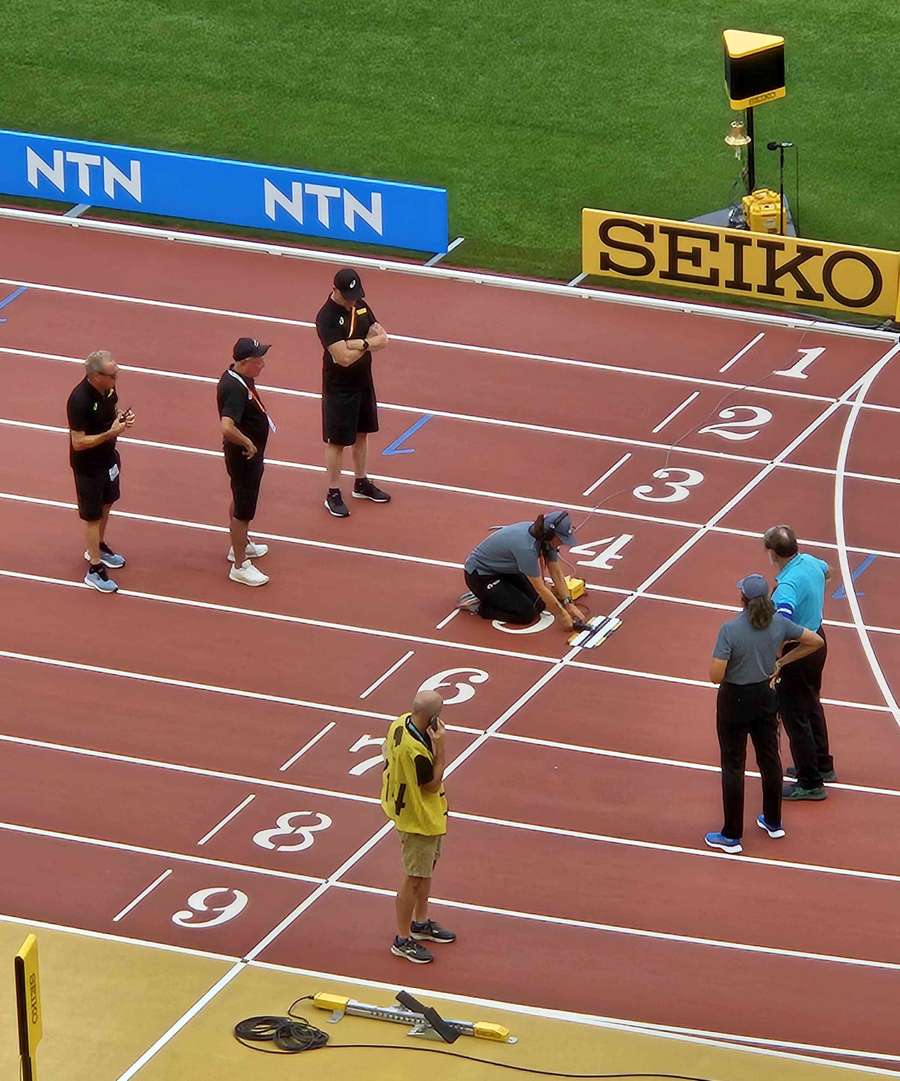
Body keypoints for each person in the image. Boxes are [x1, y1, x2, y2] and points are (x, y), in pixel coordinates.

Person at [706, 574, 824, 855]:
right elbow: (815, 641)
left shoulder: (730, 629)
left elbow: (715, 676)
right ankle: (773, 822)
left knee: (733, 765)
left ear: (743, 599)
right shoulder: (779, 624)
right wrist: (780, 662)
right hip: (766, 697)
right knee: (770, 759)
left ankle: (732, 835)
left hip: (734, 700)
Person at [380, 689, 456, 964]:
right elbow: (432, 783)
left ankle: (420, 923)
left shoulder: (399, 723)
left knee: (425, 871)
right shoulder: (418, 754)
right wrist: (442, 749)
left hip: (416, 812)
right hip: (418, 819)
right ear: (434, 718)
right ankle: (402, 939)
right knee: (413, 878)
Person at [764, 524, 834, 800]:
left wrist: (776, 658)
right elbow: (829, 573)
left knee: (795, 716)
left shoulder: (787, 586)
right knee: (812, 703)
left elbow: (782, 620)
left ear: (772, 553)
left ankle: (810, 781)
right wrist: (814, 598)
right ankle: (823, 763)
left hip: (800, 650)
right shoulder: (810, 561)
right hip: (818, 637)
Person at [315, 268, 390, 518]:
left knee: (362, 434)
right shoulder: (326, 317)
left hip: (363, 381)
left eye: (355, 295)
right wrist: (368, 344)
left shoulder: (360, 306)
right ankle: (333, 492)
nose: (353, 300)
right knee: (337, 441)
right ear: (334, 289)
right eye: (348, 296)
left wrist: (358, 344)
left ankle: (361, 482)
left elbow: (382, 337)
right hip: (339, 386)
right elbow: (343, 359)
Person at [66, 350, 134, 593]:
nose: (117, 377)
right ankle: (94, 569)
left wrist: (121, 419)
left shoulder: (109, 390)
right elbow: (78, 442)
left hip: (108, 458)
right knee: (93, 516)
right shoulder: (79, 400)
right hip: (89, 467)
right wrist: (110, 433)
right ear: (96, 376)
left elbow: (112, 411)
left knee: (107, 503)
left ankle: (99, 547)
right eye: (112, 374)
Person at [460, 510, 584, 630]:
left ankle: (496, 595)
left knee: (540, 603)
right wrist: (562, 615)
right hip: (480, 576)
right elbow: (540, 587)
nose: (562, 543)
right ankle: (480, 605)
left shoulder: (545, 539)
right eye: (561, 539)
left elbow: (556, 572)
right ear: (549, 534)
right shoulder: (527, 549)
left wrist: (569, 604)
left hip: (504, 571)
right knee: (525, 614)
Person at [217, 338, 274, 587]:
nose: (263, 364)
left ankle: (240, 545)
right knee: (243, 509)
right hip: (244, 457)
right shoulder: (234, 388)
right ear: (245, 363)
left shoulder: (241, 378)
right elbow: (227, 427)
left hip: (250, 455)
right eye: (258, 360)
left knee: (240, 499)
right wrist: (248, 443)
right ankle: (239, 565)